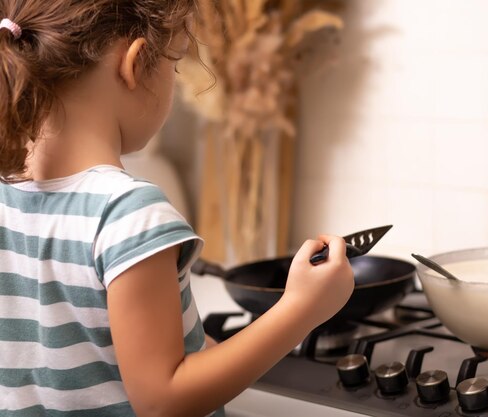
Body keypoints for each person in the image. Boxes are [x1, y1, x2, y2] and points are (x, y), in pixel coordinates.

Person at [0, 1, 355, 416]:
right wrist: (301, 309)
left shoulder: (9, 192)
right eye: (175, 65)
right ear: (133, 64)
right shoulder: (129, 212)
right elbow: (165, 401)